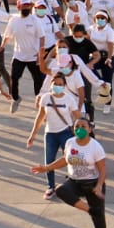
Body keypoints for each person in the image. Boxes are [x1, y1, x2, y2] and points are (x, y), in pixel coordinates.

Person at [30, 117, 109, 228]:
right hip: (75, 182)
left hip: (92, 183)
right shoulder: (70, 142)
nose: (79, 129)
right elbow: (65, 159)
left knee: (99, 219)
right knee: (60, 190)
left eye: (83, 126)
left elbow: (103, 170)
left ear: (90, 129)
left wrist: (98, 186)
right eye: (77, 126)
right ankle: (90, 210)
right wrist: (46, 168)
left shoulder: (95, 147)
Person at [27, 70, 82, 199]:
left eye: (60, 84)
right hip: (50, 133)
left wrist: (84, 132)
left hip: (65, 133)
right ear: (51, 84)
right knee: (49, 161)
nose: (57, 86)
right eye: (55, 83)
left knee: (70, 159)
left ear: (64, 86)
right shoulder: (45, 98)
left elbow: (77, 117)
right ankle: (50, 187)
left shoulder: (69, 99)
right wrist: (32, 134)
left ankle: (74, 185)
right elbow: (40, 116)